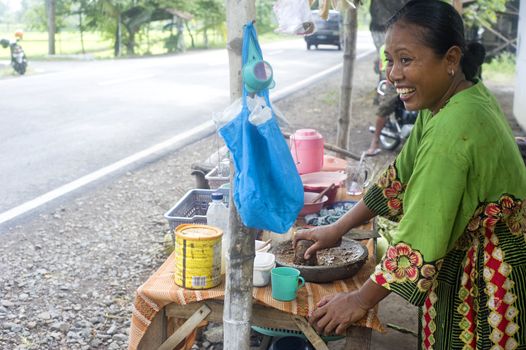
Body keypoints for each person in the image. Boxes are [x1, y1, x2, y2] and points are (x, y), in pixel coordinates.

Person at [294, 1, 526, 348]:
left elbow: (420, 234)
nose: (392, 74)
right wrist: (337, 228)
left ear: (450, 59)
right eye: (389, 60)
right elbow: (399, 176)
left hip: (487, 284)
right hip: (469, 264)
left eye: (405, 59)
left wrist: (360, 299)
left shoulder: (454, 130)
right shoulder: (451, 101)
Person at [366, 44, 400, 156]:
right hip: (391, 80)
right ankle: (375, 142)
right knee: (385, 107)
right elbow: (383, 66)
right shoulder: (384, 47)